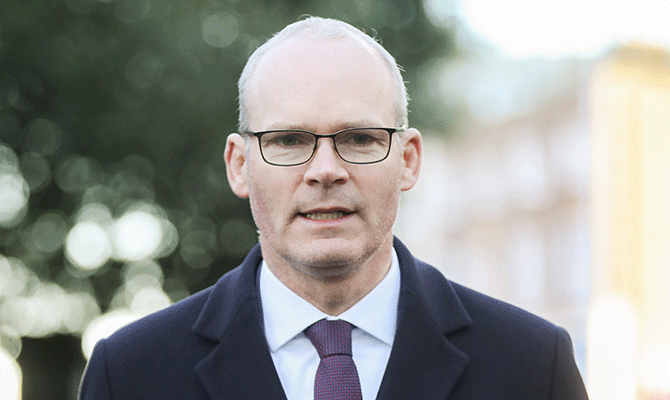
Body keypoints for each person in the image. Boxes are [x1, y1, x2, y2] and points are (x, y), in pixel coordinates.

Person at [79, 16, 589, 400]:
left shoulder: (530, 366)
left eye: (361, 138)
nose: (326, 170)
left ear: (408, 160)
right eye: (288, 140)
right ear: (239, 165)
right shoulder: (129, 374)